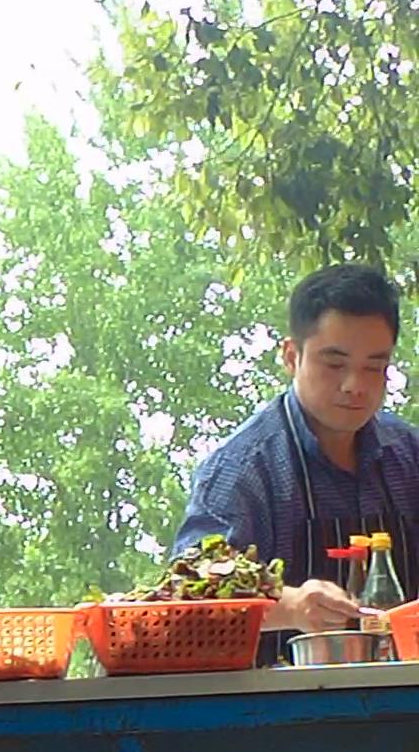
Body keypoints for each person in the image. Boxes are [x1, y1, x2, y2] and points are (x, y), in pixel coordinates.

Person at [175, 265, 419, 633]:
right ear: (291, 356)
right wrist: (288, 607)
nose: (354, 385)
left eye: (374, 366)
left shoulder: (409, 455)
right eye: (334, 364)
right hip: (280, 672)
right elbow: (187, 595)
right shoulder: (241, 470)